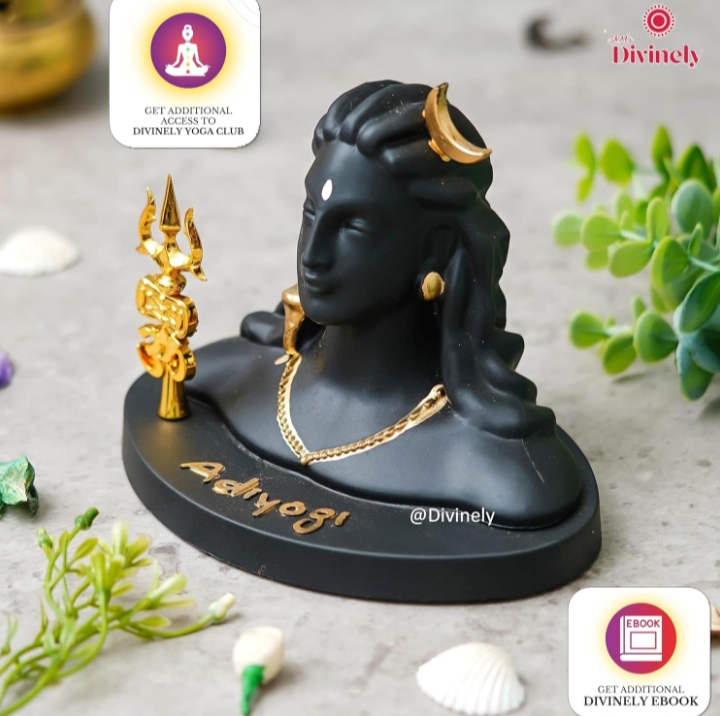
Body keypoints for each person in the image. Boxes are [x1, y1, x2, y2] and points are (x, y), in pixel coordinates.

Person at [188, 80, 584, 529]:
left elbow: (526, 496)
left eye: (353, 228)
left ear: (435, 249)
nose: (312, 255)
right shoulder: (232, 376)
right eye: (312, 213)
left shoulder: (502, 469)